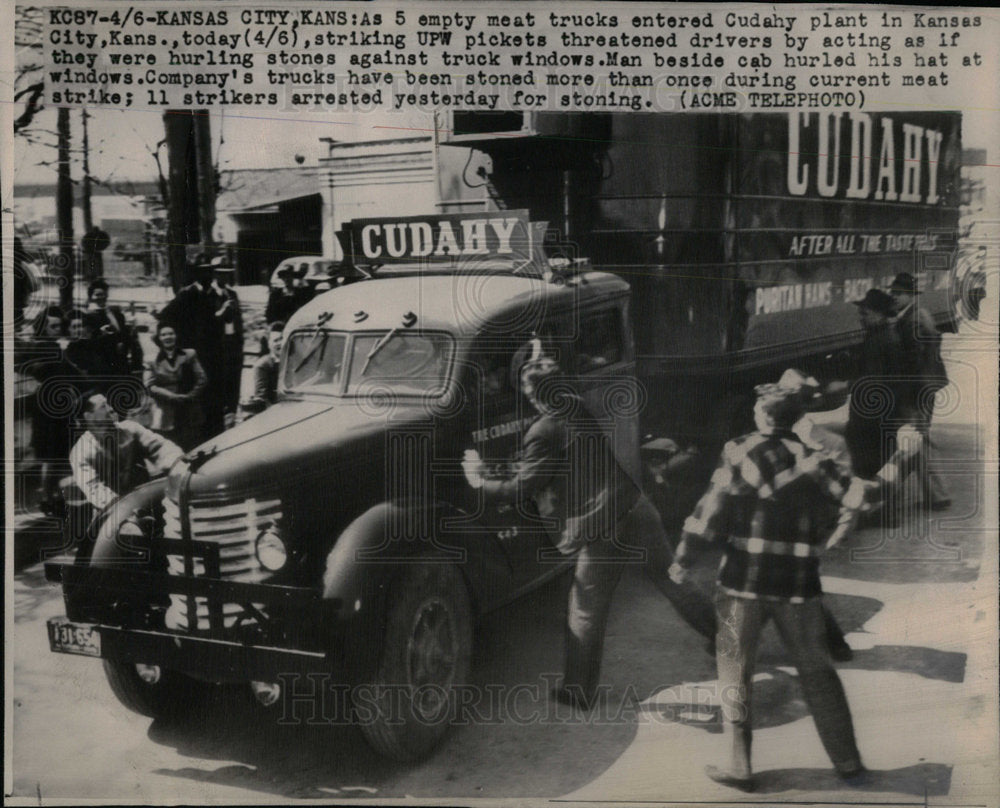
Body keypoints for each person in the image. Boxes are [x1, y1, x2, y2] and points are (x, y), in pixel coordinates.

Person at [462, 350, 715, 710]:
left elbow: (522, 489)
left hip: (602, 525)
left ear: (535, 395)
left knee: (586, 608)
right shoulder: (575, 405)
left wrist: (479, 480)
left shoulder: (542, 429)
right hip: (634, 505)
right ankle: (722, 637)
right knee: (671, 578)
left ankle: (578, 691)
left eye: (527, 390)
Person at [670, 383, 869, 792]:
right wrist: (827, 537)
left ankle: (739, 766)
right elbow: (852, 501)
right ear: (797, 419)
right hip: (798, 585)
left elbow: (711, 510)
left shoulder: (738, 450)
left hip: (742, 581)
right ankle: (848, 762)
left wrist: (684, 558)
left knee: (734, 672)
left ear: (761, 416)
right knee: (818, 672)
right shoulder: (816, 460)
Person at [888, 272, 951, 510]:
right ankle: (937, 495)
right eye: (892, 293)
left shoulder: (913, 321)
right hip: (926, 387)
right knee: (917, 441)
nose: (893, 297)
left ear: (910, 295)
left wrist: (906, 396)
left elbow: (913, 364)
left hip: (917, 391)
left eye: (898, 293)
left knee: (911, 440)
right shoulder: (919, 315)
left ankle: (890, 498)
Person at [69, 392, 183, 511]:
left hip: (146, 497)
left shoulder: (130, 429)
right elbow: (94, 489)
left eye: (108, 404)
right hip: (113, 510)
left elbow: (160, 447)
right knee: (127, 529)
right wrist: (125, 509)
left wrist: (177, 463)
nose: (111, 409)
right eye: (103, 406)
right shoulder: (80, 452)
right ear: (89, 416)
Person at [844, 289, 909, 480]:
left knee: (868, 465)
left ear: (879, 314)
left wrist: (847, 385)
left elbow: (873, 382)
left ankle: (873, 503)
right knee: (881, 462)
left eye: (864, 313)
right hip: (882, 415)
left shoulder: (880, 341)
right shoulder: (884, 336)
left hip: (872, 417)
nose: (861, 318)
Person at [158, 263, 226, 440]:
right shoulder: (187, 295)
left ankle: (215, 437)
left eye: (210, 271)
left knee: (214, 399)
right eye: (203, 272)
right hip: (193, 358)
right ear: (196, 274)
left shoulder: (213, 294)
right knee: (196, 402)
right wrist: (179, 348)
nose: (208, 275)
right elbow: (165, 318)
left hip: (213, 356)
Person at [144, 321, 208, 451]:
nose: (168, 337)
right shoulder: (150, 359)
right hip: (164, 409)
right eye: (163, 335)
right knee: (167, 447)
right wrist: (172, 396)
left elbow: (202, 379)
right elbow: (149, 385)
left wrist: (189, 396)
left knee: (190, 444)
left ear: (176, 336)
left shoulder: (189, 354)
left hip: (188, 407)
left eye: (171, 333)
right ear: (159, 338)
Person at [85, 279, 143, 378]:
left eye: (102, 294)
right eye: (97, 295)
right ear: (91, 297)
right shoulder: (88, 316)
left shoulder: (116, 313)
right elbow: (89, 340)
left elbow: (124, 332)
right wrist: (101, 333)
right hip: (103, 359)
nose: (100, 298)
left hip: (120, 357)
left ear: (106, 295)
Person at [212, 262, 244, 425]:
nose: (225, 277)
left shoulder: (232, 293)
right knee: (222, 379)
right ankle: (222, 413)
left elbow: (239, 319)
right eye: (221, 274)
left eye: (227, 274)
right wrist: (223, 310)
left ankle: (232, 411)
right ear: (215, 274)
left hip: (234, 343)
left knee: (235, 377)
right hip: (219, 344)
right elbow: (209, 321)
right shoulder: (210, 295)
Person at [245, 321, 284, 415]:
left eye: (282, 339)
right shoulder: (263, 365)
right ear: (269, 344)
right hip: (274, 412)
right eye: (276, 340)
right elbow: (262, 398)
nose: (280, 343)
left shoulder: (294, 360)